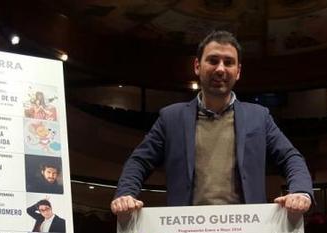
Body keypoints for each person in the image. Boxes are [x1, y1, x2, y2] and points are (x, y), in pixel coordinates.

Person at [111, 31, 312, 214]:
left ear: (238, 71)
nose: (220, 69)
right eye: (213, 60)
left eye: (228, 62)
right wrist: (125, 194)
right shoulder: (170, 117)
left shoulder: (259, 116)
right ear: (197, 66)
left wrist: (301, 191)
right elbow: (139, 161)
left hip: (246, 232)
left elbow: (290, 157)